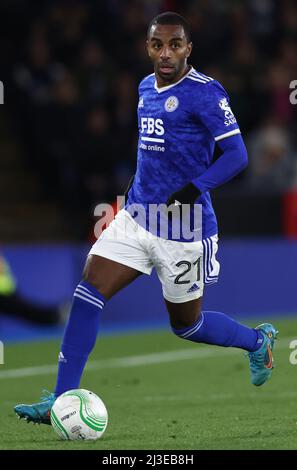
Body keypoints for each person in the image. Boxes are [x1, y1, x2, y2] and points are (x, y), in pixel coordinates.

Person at [14, 12, 278, 425]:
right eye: (158, 44)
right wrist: (134, 195)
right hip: (137, 216)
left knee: (186, 326)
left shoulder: (205, 93)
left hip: (186, 229)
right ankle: (61, 399)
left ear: (189, 48)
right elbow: (149, 152)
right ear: (148, 48)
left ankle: (256, 341)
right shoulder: (143, 88)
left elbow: (238, 156)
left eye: (175, 45)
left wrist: (192, 188)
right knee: (89, 292)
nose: (166, 53)